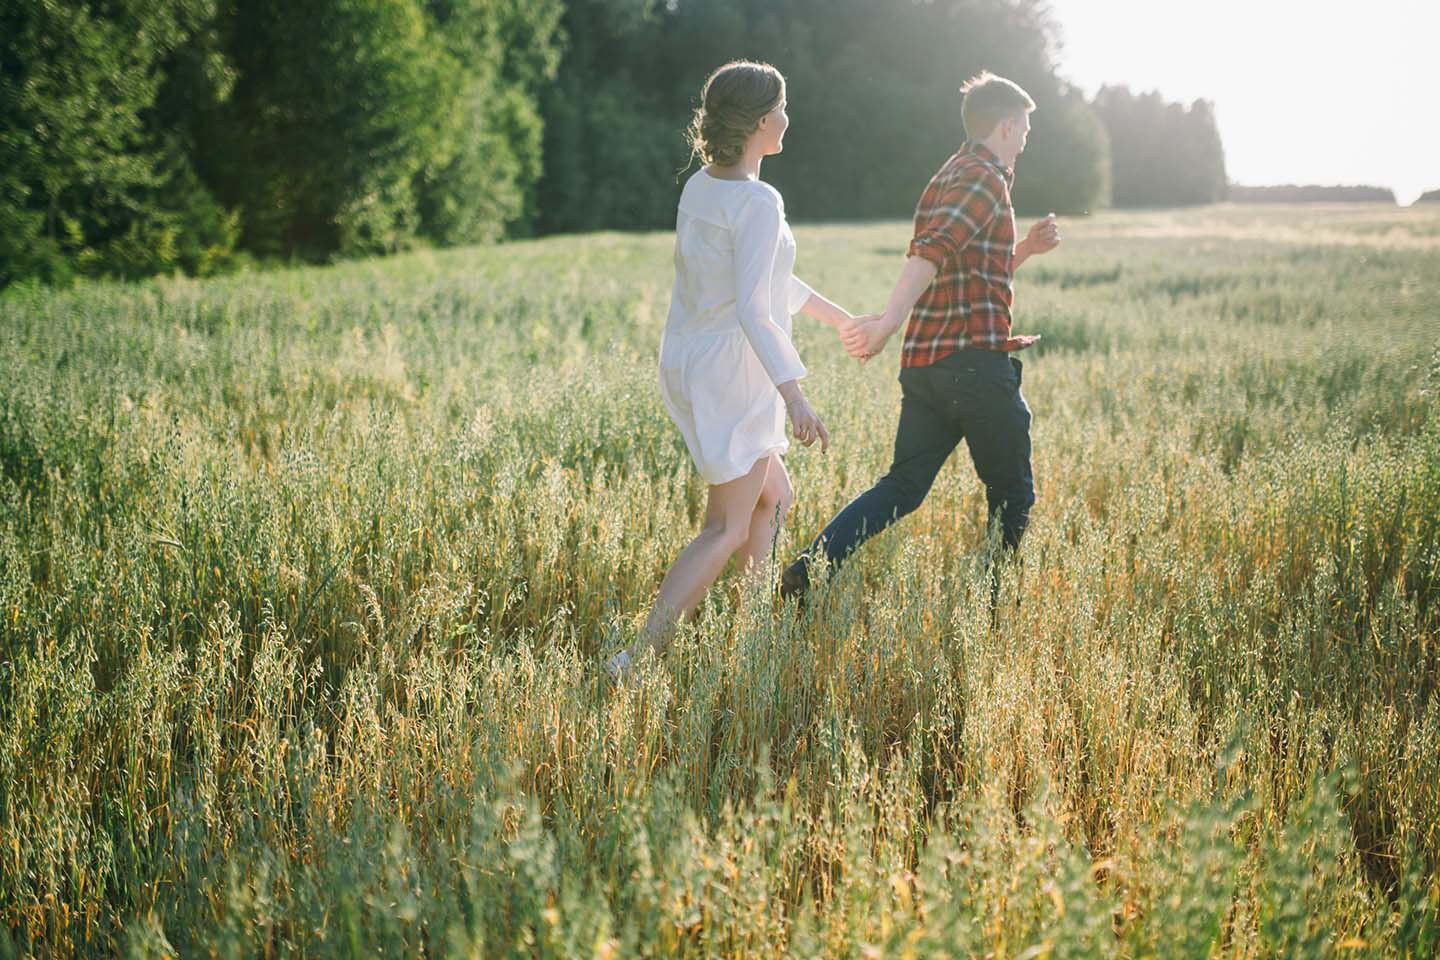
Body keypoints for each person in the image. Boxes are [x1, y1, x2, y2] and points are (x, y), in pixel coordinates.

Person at [608, 61, 860, 678]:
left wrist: (839, 319)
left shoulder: (703, 185)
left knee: (774, 497)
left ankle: (749, 641)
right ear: (756, 121)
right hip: (733, 370)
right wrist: (794, 396)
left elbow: (764, 278)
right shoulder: (758, 199)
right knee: (725, 525)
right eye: (780, 106)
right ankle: (634, 661)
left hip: (692, 360)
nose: (787, 117)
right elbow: (753, 306)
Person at [780, 70, 1062, 602]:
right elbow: (931, 250)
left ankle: (809, 570)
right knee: (1013, 495)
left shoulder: (949, 174)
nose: (1026, 139)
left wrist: (1023, 249)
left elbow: (970, 271)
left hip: (928, 368)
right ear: (1005, 125)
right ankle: (990, 612)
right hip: (975, 367)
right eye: (1024, 128)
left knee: (902, 487)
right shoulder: (985, 177)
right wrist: (887, 321)